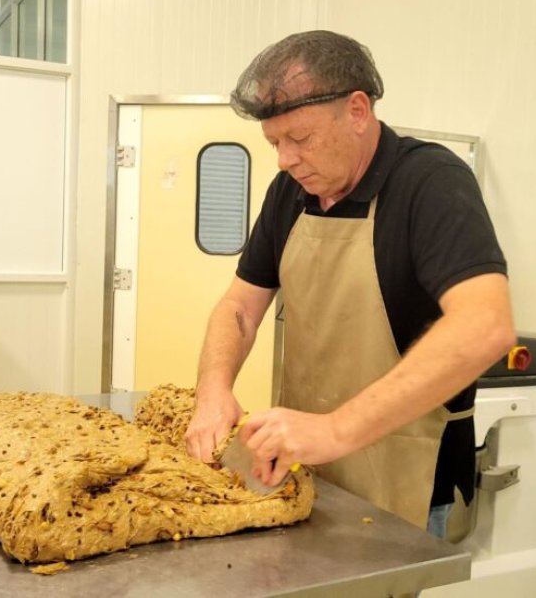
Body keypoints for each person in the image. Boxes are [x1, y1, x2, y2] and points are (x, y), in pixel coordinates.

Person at [184, 29, 515, 536]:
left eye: (300, 138)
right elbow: (240, 307)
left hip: (406, 483)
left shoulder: (430, 184)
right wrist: (213, 389)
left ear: (357, 111)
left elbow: (484, 326)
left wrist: (336, 429)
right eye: (275, 143)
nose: (284, 159)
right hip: (306, 465)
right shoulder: (289, 192)